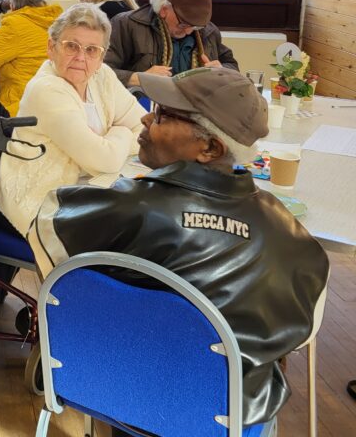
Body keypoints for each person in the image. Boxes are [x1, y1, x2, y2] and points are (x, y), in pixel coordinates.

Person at [29, 67, 329, 430]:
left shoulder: (132, 206)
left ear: (210, 147)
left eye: (162, 114)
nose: (145, 116)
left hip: (110, 387)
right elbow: (297, 333)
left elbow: (46, 231)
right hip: (221, 418)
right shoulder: (291, 237)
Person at [0, 3, 146, 235]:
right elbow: (104, 159)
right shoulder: (46, 89)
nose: (80, 57)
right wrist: (122, 132)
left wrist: (111, 146)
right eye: (71, 46)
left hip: (92, 186)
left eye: (91, 50)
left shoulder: (102, 75)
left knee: (145, 214)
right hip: (44, 200)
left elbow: (145, 127)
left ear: (101, 56)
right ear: (51, 47)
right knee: (133, 229)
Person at [105, 0, 239, 88]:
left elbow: (232, 66)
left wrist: (222, 71)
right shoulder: (127, 24)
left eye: (194, 27)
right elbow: (101, 72)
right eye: (183, 24)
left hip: (197, 108)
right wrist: (139, 78)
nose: (187, 31)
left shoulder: (208, 31)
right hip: (144, 107)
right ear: (164, 10)